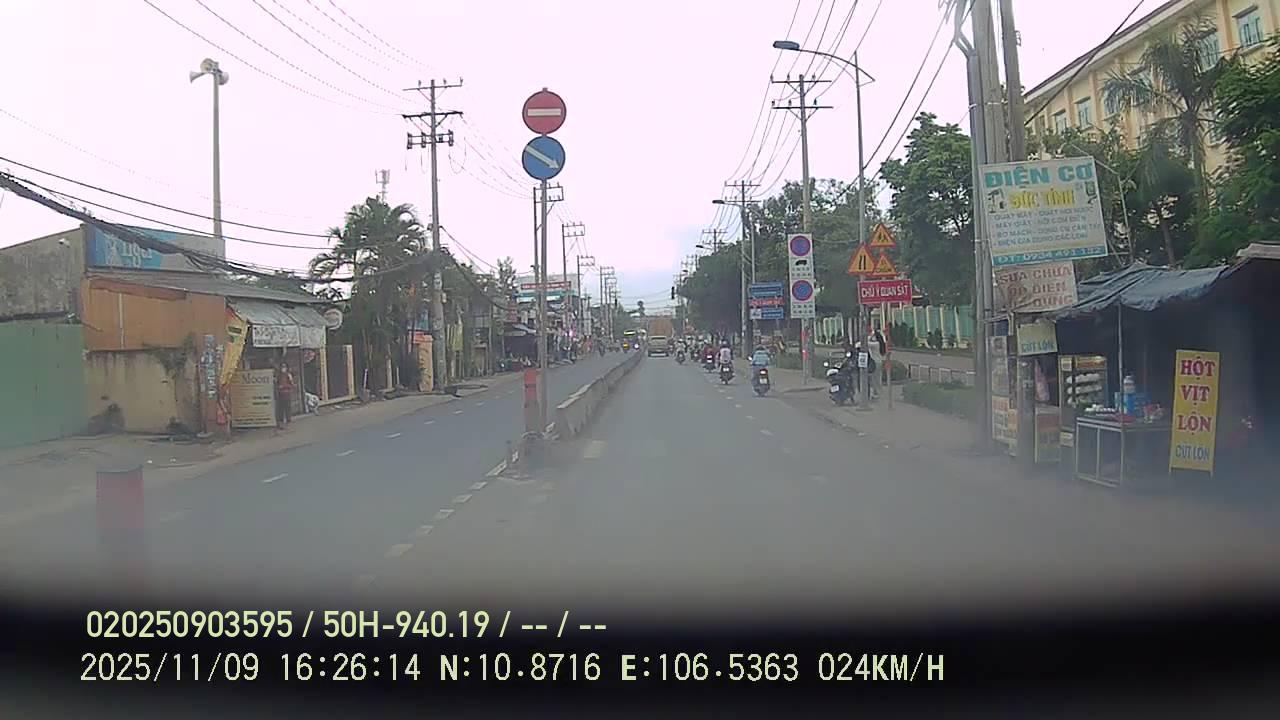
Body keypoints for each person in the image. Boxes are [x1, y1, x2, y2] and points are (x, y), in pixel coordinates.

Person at [275, 361, 295, 428]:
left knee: (287, 408)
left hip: (287, 394)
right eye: (282, 367)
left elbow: (292, 385)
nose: (283, 368)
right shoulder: (279, 376)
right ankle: (281, 422)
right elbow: (276, 384)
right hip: (280, 394)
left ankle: (288, 421)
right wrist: (278, 388)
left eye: (284, 367)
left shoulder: (288, 375)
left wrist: (284, 386)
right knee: (280, 408)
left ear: (286, 368)